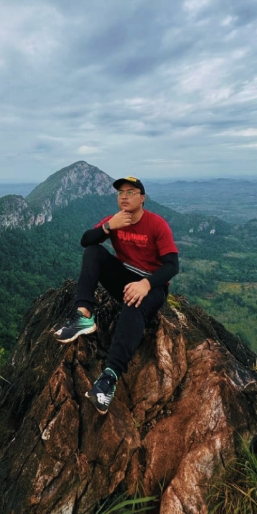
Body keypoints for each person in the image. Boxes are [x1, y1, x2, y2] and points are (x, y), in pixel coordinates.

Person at [52, 177, 179, 414]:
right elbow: (85, 241)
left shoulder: (156, 224)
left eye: (131, 192)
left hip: (152, 285)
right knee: (94, 252)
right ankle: (83, 316)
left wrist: (146, 284)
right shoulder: (116, 220)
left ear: (142, 198)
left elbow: (172, 265)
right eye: (120, 192)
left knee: (134, 302)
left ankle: (109, 377)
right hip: (123, 275)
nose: (124, 196)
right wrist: (109, 227)